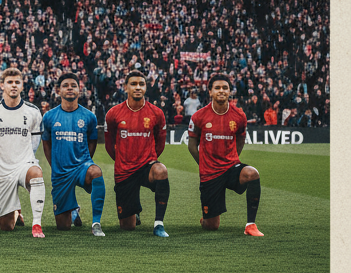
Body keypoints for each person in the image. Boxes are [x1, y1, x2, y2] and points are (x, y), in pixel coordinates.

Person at [187, 75, 264, 236]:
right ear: (210, 92)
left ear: (230, 91)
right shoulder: (199, 116)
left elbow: (241, 138)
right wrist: (203, 164)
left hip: (230, 168)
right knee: (211, 226)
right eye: (217, 88)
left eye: (225, 88)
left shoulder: (239, 116)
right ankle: (206, 218)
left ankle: (250, 225)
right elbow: (192, 146)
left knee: (252, 173)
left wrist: (233, 159)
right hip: (210, 174)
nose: (221, 91)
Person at [103, 70, 170, 237]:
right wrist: (121, 160)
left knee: (161, 170)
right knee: (127, 227)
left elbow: (160, 144)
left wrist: (152, 159)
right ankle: (134, 210)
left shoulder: (156, 113)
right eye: (133, 84)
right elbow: (109, 144)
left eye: (141, 84)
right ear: (125, 87)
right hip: (124, 171)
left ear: (146, 87)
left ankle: (158, 224)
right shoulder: (114, 113)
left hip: (146, 167)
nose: (137, 87)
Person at [0, 66, 46, 238]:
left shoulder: (33, 112)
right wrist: (3, 159)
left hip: (24, 165)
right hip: (2, 170)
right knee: (6, 227)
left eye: (17, 82)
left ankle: (37, 225)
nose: (14, 85)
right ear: (2, 85)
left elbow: (34, 142)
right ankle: (16, 212)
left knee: (36, 173)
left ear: (22, 86)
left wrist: (26, 158)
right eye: (9, 82)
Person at [41, 72, 106, 236]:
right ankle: (74, 210)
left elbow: (92, 141)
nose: (70, 88)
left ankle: (96, 223)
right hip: (61, 173)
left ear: (79, 89)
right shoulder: (49, 117)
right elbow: (46, 143)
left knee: (96, 172)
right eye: (65, 86)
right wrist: (54, 165)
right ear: (58, 90)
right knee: (63, 227)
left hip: (81, 167)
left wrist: (87, 161)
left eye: (73, 86)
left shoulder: (89, 117)